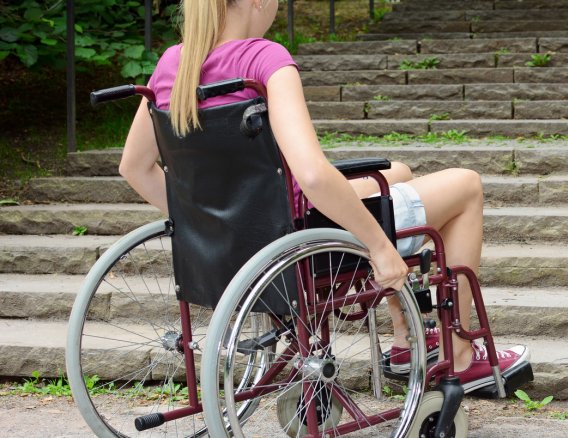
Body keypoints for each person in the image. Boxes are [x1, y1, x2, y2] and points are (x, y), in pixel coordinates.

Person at [118, 0, 528, 393]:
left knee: (395, 173)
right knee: (466, 184)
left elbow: (134, 168)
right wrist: (379, 246)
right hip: (305, 234)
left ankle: (405, 338)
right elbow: (312, 174)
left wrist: (214, 223)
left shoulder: (174, 64)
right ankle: (459, 355)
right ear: (258, 1)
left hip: (245, 238)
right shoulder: (264, 59)